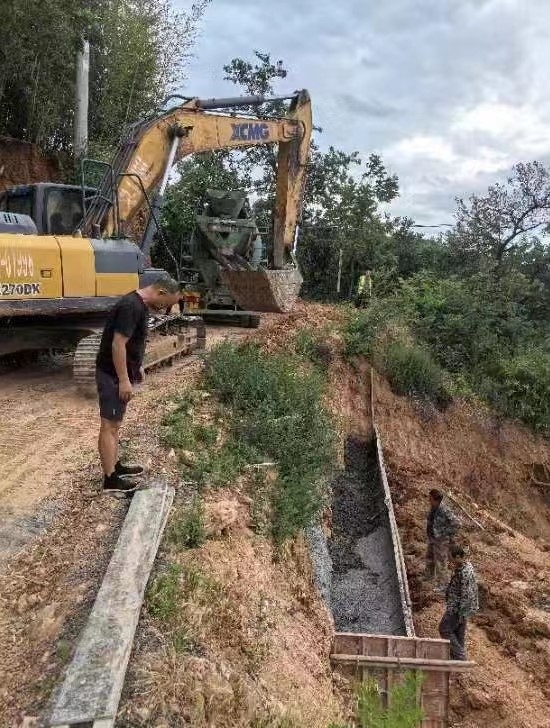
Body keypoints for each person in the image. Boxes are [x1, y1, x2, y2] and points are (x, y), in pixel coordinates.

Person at [95, 277, 181, 494]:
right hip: (112, 375)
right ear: (161, 292)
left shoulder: (138, 305)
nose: (166, 308)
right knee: (109, 425)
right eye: (167, 302)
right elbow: (118, 344)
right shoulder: (131, 306)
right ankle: (110, 480)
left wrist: (136, 367)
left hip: (119, 372)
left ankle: (114, 467)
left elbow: (133, 342)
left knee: (115, 424)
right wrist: (124, 379)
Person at [439, 544, 479, 660]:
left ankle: (460, 657)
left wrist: (461, 614)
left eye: (450, 558)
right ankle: (458, 662)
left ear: (457, 557)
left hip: (457, 609)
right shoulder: (463, 566)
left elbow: (466, 595)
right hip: (460, 608)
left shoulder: (464, 573)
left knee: (444, 629)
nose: (449, 560)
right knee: (458, 634)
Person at [425, 488, 460, 590]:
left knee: (441, 562)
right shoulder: (433, 507)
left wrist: (444, 533)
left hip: (441, 540)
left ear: (435, 499)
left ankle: (443, 584)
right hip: (433, 538)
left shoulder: (444, 510)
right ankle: (429, 576)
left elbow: (457, 524)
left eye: (430, 498)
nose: (428, 500)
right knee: (430, 557)